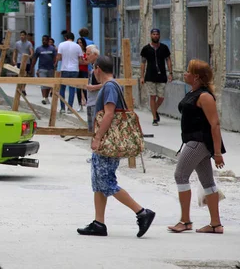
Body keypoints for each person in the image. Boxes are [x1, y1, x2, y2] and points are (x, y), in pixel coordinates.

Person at [77, 55, 156, 238]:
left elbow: (109, 114)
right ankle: (99, 223)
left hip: (108, 141)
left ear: (97, 68)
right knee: (98, 182)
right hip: (109, 140)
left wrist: (97, 137)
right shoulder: (111, 85)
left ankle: (142, 212)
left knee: (107, 183)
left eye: (93, 69)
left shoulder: (110, 86)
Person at [168, 60, 226, 234]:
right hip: (193, 140)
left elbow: (215, 125)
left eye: (188, 72)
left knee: (180, 175)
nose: (185, 74)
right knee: (207, 182)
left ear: (196, 77)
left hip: (199, 142)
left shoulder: (205, 97)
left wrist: (217, 153)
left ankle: (185, 221)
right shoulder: (194, 93)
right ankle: (216, 224)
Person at [140, 28, 173, 126]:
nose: (155, 36)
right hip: (150, 76)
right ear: (151, 35)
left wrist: (170, 73)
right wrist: (142, 76)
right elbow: (142, 63)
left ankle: (154, 110)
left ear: (159, 36)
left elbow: (168, 60)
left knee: (161, 97)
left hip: (161, 76)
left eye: (157, 34)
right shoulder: (146, 49)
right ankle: (155, 118)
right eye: (153, 34)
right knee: (153, 96)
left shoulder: (164, 48)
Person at [56, 32, 83, 114]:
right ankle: (70, 108)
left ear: (65, 37)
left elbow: (59, 57)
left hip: (64, 69)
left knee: (62, 89)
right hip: (74, 69)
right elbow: (80, 60)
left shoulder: (61, 45)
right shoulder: (77, 46)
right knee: (72, 89)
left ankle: (62, 108)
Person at [31, 35, 57, 104]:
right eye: (43, 40)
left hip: (50, 69)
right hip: (42, 69)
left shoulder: (52, 49)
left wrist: (55, 66)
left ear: (48, 41)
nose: (44, 41)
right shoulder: (39, 49)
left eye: (45, 40)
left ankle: (46, 97)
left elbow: (55, 58)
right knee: (43, 83)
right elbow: (34, 59)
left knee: (48, 84)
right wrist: (32, 67)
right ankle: (44, 98)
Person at [85, 45, 101, 132]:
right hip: (91, 101)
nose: (86, 57)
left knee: (96, 130)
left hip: (97, 102)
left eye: (88, 54)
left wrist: (92, 87)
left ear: (95, 54)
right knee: (92, 130)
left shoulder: (100, 67)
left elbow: (108, 82)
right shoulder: (93, 66)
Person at [76, 37, 89, 112]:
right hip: (77, 70)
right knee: (78, 88)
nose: (79, 44)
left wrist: (81, 61)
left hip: (84, 70)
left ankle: (87, 102)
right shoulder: (76, 51)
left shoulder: (86, 51)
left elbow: (87, 61)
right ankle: (79, 104)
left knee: (85, 87)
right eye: (78, 43)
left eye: (81, 43)